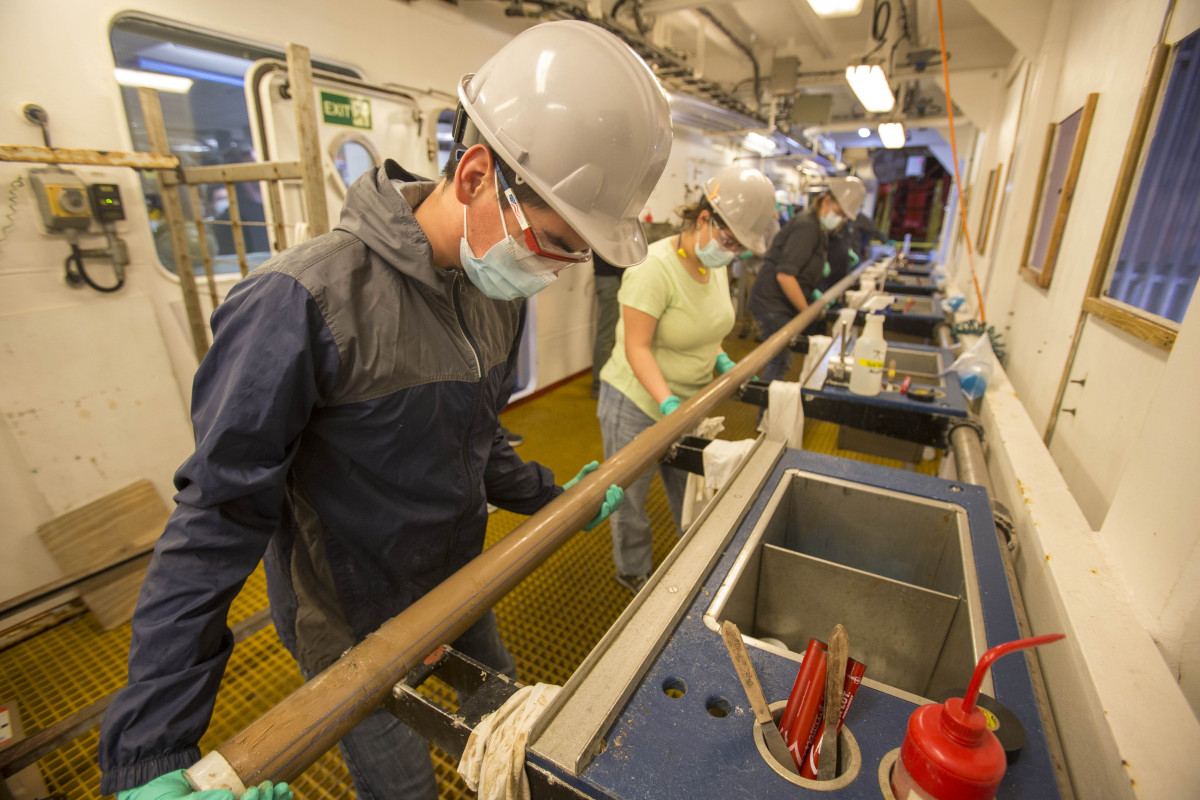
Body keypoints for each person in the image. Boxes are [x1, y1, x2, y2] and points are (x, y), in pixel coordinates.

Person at [97, 20, 672, 800]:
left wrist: (550, 493)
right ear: (474, 176)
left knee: (516, 744)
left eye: (578, 253)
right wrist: (150, 752)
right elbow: (216, 523)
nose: (561, 270)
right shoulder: (302, 302)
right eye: (554, 241)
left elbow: (475, 440)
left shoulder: (494, 295)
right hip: (352, 628)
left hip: (461, 585)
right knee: (405, 790)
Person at [597, 167, 778, 593]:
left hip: (689, 405)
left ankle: (692, 568)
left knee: (692, 491)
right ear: (704, 221)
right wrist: (666, 404)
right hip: (638, 401)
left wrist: (722, 363)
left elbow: (708, 332)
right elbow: (637, 347)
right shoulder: (653, 268)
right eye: (729, 241)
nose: (731, 253)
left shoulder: (715, 266)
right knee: (629, 501)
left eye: (740, 248)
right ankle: (633, 572)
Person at [747, 176, 866, 386]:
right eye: (838, 213)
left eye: (843, 217)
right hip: (772, 302)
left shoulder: (818, 227)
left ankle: (768, 413)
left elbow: (801, 270)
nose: (839, 220)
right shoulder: (807, 227)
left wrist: (812, 293)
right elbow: (785, 274)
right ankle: (765, 416)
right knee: (779, 360)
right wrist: (807, 313)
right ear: (826, 201)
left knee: (782, 360)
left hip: (781, 302)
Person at [591, 251, 624, 398]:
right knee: (608, 333)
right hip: (611, 278)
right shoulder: (610, 227)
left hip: (612, 276)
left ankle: (603, 384)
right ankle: (600, 386)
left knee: (611, 333)